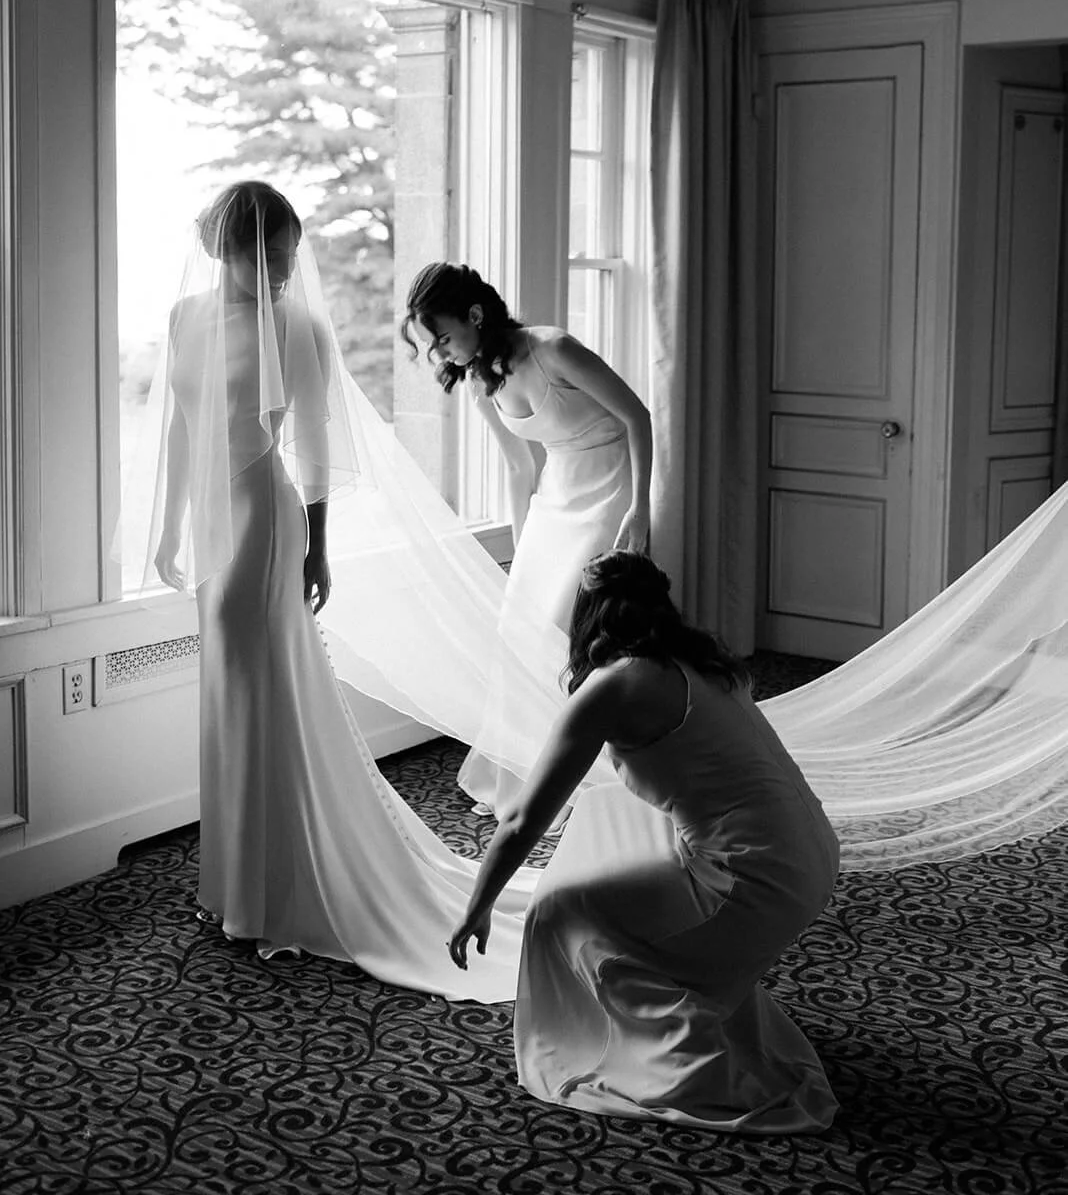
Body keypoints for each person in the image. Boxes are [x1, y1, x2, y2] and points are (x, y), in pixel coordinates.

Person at [143, 180, 539, 1000]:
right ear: (235, 248)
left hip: (262, 525)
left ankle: (268, 894)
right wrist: (166, 528)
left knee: (259, 699)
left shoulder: (296, 326)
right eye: (278, 252)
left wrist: (318, 548)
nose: (290, 267)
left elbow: (314, 448)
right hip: (213, 530)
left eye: (293, 252)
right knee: (231, 701)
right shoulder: (185, 318)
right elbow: (181, 429)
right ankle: (235, 885)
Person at [448, 551, 841, 1133]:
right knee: (609, 820)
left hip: (755, 878)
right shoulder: (701, 661)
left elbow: (521, 820)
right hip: (808, 854)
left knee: (558, 911)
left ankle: (668, 1059)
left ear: (586, 618)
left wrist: (476, 909)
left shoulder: (614, 685)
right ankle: (677, 990)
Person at [401, 262, 653, 814]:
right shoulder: (479, 386)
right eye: (432, 347)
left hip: (610, 489)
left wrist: (641, 508)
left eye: (443, 339)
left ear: (474, 314)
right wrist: (523, 550)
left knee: (571, 630)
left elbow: (636, 415)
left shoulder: (553, 348)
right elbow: (519, 469)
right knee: (519, 628)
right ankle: (527, 772)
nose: (441, 355)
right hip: (554, 502)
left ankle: (590, 777)